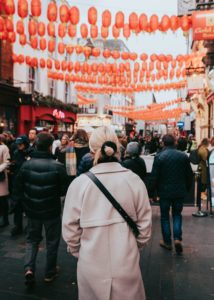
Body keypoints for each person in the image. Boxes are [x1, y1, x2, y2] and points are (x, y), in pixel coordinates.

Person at [62, 126, 152, 300]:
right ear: (117, 149)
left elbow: (70, 229)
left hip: (90, 263)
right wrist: (134, 247)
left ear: (91, 150)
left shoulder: (79, 184)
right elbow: (145, 226)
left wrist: (79, 252)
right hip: (127, 262)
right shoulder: (134, 180)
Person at [13, 132, 67, 286]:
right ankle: (49, 272)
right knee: (52, 241)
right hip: (51, 210)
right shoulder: (58, 166)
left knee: (32, 240)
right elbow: (63, 190)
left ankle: (29, 268)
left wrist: (25, 201)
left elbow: (18, 186)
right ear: (50, 146)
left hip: (32, 209)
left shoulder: (27, 164)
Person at [150, 134, 193, 254]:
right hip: (179, 191)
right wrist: (187, 189)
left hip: (164, 192)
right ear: (175, 142)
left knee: (164, 216)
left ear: (163, 143)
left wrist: (151, 192)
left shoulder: (159, 157)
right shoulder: (183, 156)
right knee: (177, 215)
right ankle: (177, 239)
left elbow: (154, 177)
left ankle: (167, 242)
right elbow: (189, 175)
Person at [10, 135, 30, 236]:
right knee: (17, 207)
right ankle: (17, 226)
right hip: (17, 184)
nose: (19, 146)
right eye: (18, 144)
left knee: (28, 207)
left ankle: (29, 227)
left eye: (21, 144)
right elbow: (15, 165)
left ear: (25, 143)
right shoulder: (16, 153)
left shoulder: (30, 152)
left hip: (27, 184)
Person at [0, 134, 10, 227]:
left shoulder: (4, 147)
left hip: (1, 176)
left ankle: (5, 219)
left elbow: (7, 162)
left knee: (3, 200)